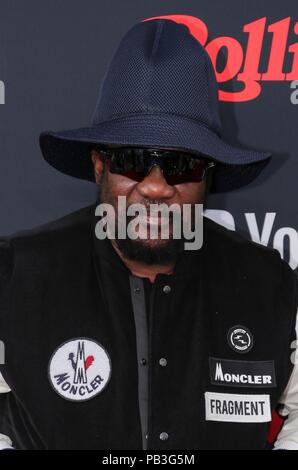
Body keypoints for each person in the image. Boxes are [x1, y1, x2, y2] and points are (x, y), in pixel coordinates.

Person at [0, 18, 297, 450]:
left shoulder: (270, 284)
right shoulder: (15, 274)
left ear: (208, 177)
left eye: (181, 165)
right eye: (135, 160)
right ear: (99, 165)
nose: (156, 187)